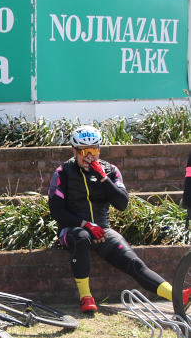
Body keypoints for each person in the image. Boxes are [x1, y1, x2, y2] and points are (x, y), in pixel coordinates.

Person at [48, 125, 182, 314]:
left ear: (99, 149)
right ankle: (86, 297)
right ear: (74, 151)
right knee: (81, 236)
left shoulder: (110, 171)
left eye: (94, 151)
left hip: (103, 231)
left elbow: (122, 204)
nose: (89, 156)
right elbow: (56, 211)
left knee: (134, 264)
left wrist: (102, 178)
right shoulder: (63, 172)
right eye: (84, 151)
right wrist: (85, 224)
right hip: (71, 230)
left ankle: (178, 296)